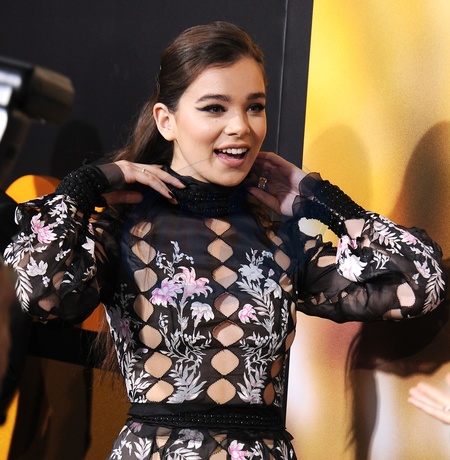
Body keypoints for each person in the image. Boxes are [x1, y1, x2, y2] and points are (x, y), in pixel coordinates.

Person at [3, 21, 447, 459]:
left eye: (255, 107)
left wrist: (324, 201)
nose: (241, 126)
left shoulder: (281, 240)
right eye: (215, 108)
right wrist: (85, 186)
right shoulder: (122, 229)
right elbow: (41, 293)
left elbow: (421, 284)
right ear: (166, 121)